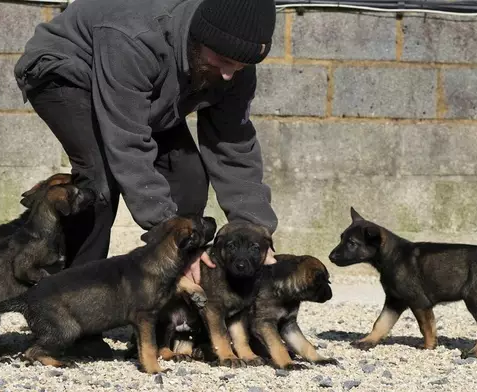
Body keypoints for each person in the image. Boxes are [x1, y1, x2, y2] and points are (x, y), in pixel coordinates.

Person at [14, 0, 279, 282]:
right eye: (225, 61)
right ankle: (75, 295)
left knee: (188, 178)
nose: (229, 74)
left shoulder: (234, 61)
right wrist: (168, 232)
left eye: (240, 66)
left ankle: (172, 288)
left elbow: (233, 144)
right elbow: (127, 144)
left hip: (144, 90)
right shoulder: (135, 35)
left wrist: (255, 231)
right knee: (99, 181)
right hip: (68, 69)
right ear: (199, 37)